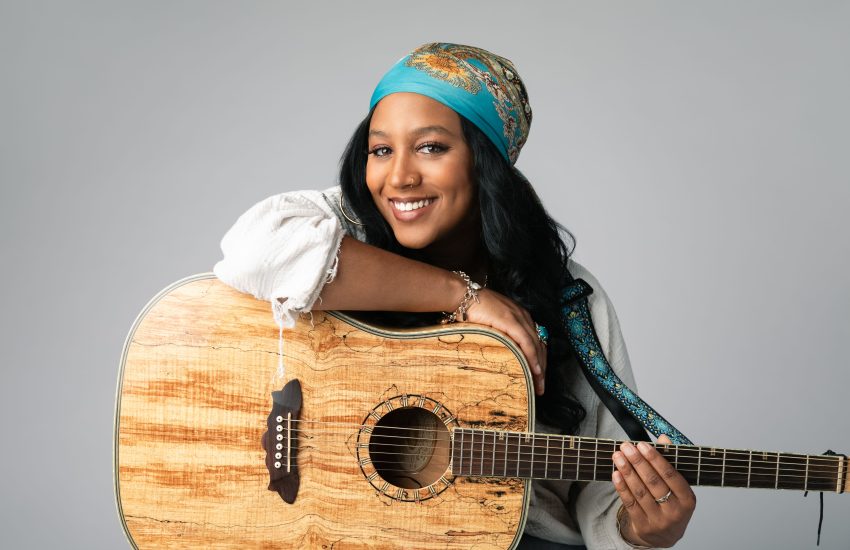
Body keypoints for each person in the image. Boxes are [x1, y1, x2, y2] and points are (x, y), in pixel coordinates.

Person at [214, 42, 696, 549]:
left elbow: (604, 480)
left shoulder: (568, 298)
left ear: (485, 163)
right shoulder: (345, 226)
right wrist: (466, 296)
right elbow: (252, 254)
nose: (399, 177)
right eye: (381, 150)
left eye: (430, 147)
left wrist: (638, 528)